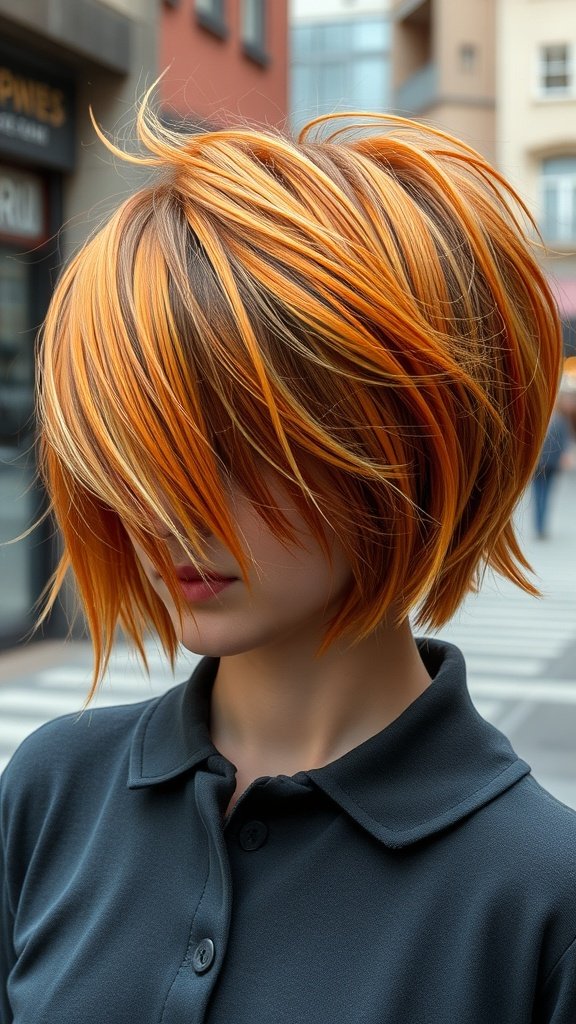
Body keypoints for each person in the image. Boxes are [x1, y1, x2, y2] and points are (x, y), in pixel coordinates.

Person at [1, 95, 575, 1024]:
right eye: (136, 444)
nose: (165, 503)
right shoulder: (51, 790)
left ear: (404, 433)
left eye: (237, 444)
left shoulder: (540, 897)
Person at [532, 394, 572, 538]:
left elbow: (565, 441)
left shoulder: (554, 420)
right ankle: (540, 525)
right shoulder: (548, 420)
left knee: (542, 494)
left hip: (546, 465)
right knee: (541, 494)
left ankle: (540, 525)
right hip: (544, 465)